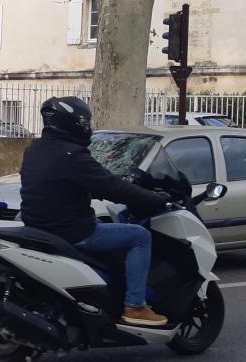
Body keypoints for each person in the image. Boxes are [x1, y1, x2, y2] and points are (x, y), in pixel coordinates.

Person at [19, 96, 171, 327]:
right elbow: (113, 186)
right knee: (140, 236)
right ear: (74, 123)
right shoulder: (73, 155)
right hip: (72, 232)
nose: (86, 127)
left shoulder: (35, 150)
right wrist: (153, 199)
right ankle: (135, 306)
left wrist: (90, 191)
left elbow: (56, 185)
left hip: (37, 227)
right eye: (84, 122)